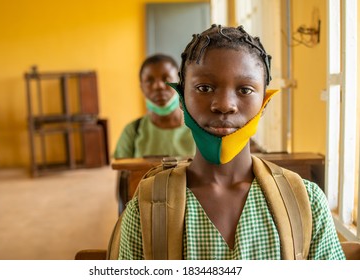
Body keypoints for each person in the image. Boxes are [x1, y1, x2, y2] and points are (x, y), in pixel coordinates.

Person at [116, 25, 345, 260]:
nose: (224, 105)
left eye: (245, 89)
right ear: (182, 98)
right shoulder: (145, 210)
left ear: (264, 102)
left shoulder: (306, 202)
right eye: (204, 88)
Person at [113, 54, 195, 159]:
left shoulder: (198, 129)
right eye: (150, 80)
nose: (158, 86)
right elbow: (123, 173)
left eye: (166, 78)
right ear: (142, 87)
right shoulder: (133, 131)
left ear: (180, 83)